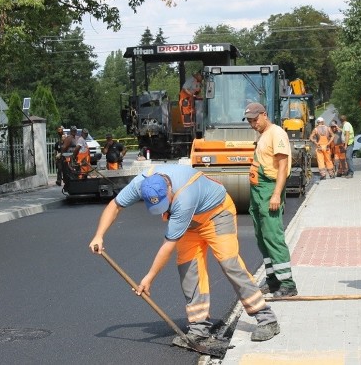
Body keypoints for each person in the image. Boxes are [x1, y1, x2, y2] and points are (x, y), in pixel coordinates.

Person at [88, 164, 280, 346]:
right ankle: (199, 328)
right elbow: (115, 205)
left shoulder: (184, 196)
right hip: (190, 224)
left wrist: (149, 278)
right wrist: (99, 235)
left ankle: (266, 318)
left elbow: (167, 246)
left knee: (230, 263)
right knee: (189, 271)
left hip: (216, 214)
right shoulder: (141, 183)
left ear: (169, 190)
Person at [244, 102, 298, 298]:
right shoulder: (263, 135)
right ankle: (273, 281)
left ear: (264, 114)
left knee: (273, 236)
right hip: (257, 190)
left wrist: (276, 194)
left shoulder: (277, 133)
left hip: (269, 190)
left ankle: (288, 283)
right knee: (262, 237)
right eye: (249, 121)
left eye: (255, 120)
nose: (252, 124)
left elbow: (283, 167)